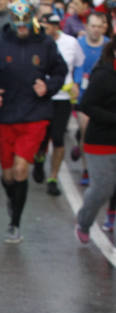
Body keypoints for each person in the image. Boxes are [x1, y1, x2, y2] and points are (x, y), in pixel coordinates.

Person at [0, 0, 66, 244]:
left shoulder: (45, 43)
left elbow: (60, 72)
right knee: (7, 175)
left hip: (34, 114)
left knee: (20, 169)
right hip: (5, 115)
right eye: (17, 22)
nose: (21, 27)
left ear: (32, 19)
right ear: (11, 20)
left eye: (25, 22)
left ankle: (15, 223)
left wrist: (48, 86)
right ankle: (13, 198)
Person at [35, 10, 83, 197]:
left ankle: (53, 178)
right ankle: (39, 159)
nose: (45, 30)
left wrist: (76, 83)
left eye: (49, 27)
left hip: (62, 98)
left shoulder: (70, 43)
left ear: (56, 26)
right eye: (43, 27)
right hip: (42, 96)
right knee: (41, 137)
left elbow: (79, 64)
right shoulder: (37, 41)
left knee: (58, 137)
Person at [74, 39, 116, 242]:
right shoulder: (103, 75)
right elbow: (86, 106)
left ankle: (112, 216)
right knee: (103, 187)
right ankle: (84, 222)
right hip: (101, 140)